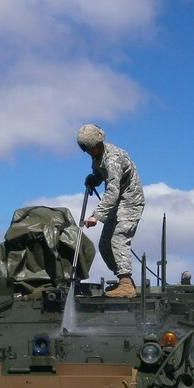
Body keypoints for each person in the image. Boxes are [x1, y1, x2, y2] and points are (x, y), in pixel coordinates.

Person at [77, 123, 145, 298]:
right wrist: (94, 179)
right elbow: (101, 173)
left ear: (97, 144)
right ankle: (125, 281)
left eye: (89, 148)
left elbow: (113, 191)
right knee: (105, 245)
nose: (88, 153)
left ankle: (125, 283)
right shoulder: (98, 156)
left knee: (118, 239)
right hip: (116, 205)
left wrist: (96, 216)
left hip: (130, 202)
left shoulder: (112, 159)